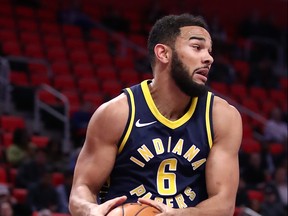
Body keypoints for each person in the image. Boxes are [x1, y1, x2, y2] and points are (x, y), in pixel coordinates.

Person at [69, 13, 242, 216]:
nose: (209, 58)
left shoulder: (222, 117)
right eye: (197, 47)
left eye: (210, 51)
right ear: (163, 53)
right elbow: (82, 190)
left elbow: (224, 205)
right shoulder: (117, 114)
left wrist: (179, 214)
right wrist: (90, 210)